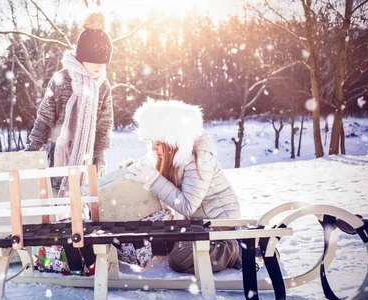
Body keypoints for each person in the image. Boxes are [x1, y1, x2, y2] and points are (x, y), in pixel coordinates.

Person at [25, 11, 114, 276]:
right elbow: (44, 119)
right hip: (59, 158)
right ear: (80, 56)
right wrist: (32, 151)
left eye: (104, 62)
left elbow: (104, 125)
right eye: (94, 61)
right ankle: (68, 260)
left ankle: (88, 259)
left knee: (83, 210)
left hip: (86, 159)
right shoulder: (62, 79)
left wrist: (99, 158)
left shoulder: (103, 85)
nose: (99, 67)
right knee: (60, 209)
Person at [122, 98, 242, 273]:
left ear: (172, 142)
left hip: (218, 222)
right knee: (152, 241)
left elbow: (188, 205)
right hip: (195, 223)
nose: (154, 149)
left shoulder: (198, 157)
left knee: (180, 258)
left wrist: (151, 178)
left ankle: (234, 248)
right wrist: (136, 170)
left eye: (158, 143)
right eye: (151, 142)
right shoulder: (173, 155)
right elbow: (160, 181)